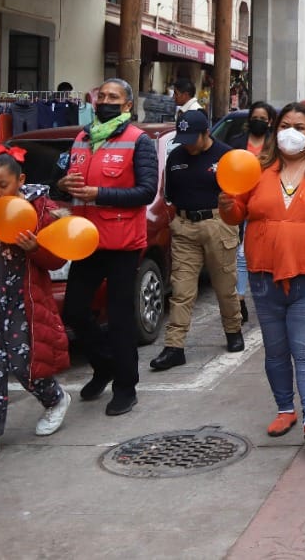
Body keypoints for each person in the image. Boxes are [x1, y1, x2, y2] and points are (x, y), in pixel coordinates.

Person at [219, 102, 305, 446]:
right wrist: (228, 205)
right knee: (276, 350)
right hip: (264, 275)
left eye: (300, 127)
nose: (290, 133)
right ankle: (285, 409)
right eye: (285, 125)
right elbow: (237, 215)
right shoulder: (257, 169)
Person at [0, 149, 71, 464]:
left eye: (2, 185)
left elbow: (57, 257)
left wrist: (36, 249)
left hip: (25, 302)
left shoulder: (42, 209)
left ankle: (56, 399)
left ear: (20, 180)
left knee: (25, 364)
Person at [58, 78, 157, 416]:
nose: (106, 101)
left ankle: (126, 386)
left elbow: (146, 192)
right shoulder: (82, 138)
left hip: (122, 242)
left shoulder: (138, 141)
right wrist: (62, 184)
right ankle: (104, 365)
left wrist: (99, 194)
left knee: (119, 317)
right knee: (73, 311)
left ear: (127, 105)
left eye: (114, 97)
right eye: (102, 96)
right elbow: (66, 185)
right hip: (85, 240)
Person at [149, 111, 244, 372]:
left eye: (193, 138)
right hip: (184, 228)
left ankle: (233, 330)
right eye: (184, 139)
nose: (188, 144)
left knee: (225, 285)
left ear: (206, 134)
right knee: (182, 290)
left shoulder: (226, 155)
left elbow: (239, 193)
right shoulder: (176, 157)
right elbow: (170, 193)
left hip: (218, 224)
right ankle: (174, 347)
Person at [226, 101, 276, 324]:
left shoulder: (275, 146)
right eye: (255, 117)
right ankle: (240, 298)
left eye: (263, 118)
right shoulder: (237, 143)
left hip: (267, 203)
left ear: (270, 122)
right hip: (241, 201)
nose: (259, 121)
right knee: (242, 254)